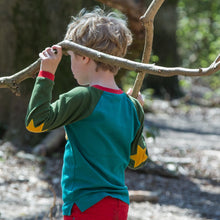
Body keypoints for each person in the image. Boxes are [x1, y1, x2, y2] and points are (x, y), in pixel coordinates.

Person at [25, 8, 148, 220]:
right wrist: (138, 114)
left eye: (71, 57)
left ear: (83, 57)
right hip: (118, 206)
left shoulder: (82, 97)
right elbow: (137, 160)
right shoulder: (131, 106)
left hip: (86, 205)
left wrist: (46, 73)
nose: (71, 64)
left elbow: (36, 122)